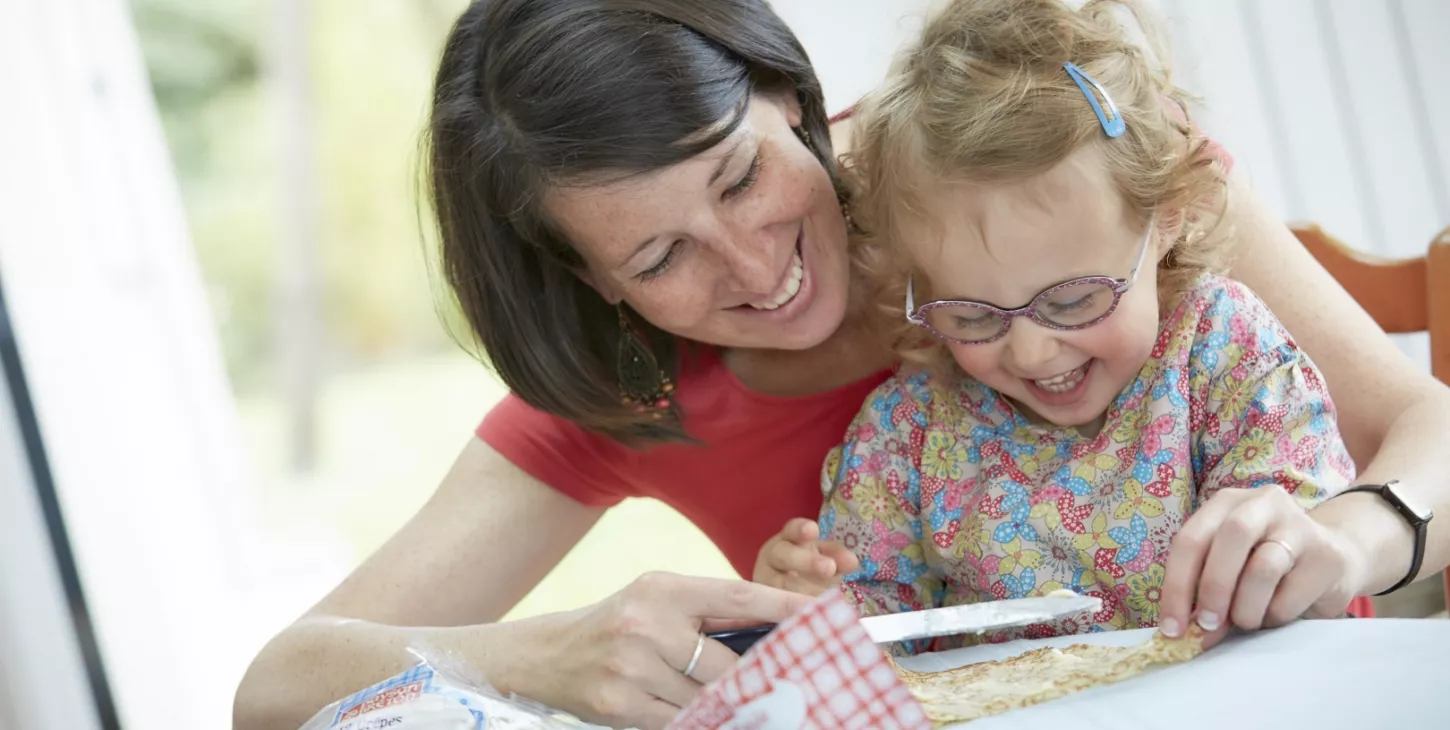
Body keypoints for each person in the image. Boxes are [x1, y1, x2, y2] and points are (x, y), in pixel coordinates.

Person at [234, 1, 1450, 729]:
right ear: (591, 282)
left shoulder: (1036, 164)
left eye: (741, 175)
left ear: (789, 94)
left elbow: (1426, 427)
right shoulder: (626, 390)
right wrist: (541, 651)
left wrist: (1350, 532)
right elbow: (278, 686)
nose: (756, 267)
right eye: (658, 254)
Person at [770, 0, 1358, 649]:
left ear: (1164, 221)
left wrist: (1267, 546)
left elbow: (1292, 512)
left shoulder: (1219, 346)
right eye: (970, 314)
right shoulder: (907, 431)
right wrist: (826, 606)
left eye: (1073, 300)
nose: (1030, 349)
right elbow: (883, 611)